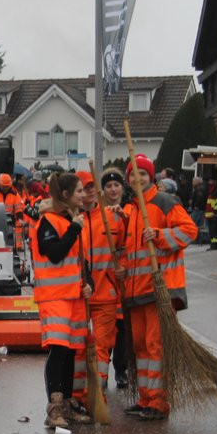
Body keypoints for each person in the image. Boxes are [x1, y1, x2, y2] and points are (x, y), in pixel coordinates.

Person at [121, 154, 198, 421]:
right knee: (141, 347)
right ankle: (145, 398)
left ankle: (158, 402)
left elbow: (189, 231)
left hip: (159, 289)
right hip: (136, 291)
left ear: (151, 177)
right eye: (133, 174)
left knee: (155, 347)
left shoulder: (163, 202)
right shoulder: (130, 208)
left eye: (142, 174)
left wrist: (161, 235)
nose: (137, 179)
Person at [31, 172, 91, 428]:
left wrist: (89, 284)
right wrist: (74, 229)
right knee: (58, 351)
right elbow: (55, 253)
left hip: (74, 296)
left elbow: (79, 260)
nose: (84, 195)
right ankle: (54, 408)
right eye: (79, 191)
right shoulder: (49, 221)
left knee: (69, 353)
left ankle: (67, 404)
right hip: (55, 297)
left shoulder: (72, 220)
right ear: (66, 196)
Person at [76, 170, 125, 414]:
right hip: (79, 297)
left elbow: (125, 248)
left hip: (105, 295)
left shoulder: (112, 218)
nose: (88, 192)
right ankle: (78, 398)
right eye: (83, 188)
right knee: (79, 350)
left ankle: (97, 396)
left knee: (103, 347)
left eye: (91, 187)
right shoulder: (72, 221)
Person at [100, 168, 131, 389]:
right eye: (109, 186)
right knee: (108, 328)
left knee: (123, 327)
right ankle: (104, 369)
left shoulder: (130, 210)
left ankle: (122, 370)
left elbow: (133, 241)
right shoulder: (100, 213)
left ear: (122, 187)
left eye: (116, 185)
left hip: (127, 277)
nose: (113, 189)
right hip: (106, 279)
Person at [0, 173, 25, 251]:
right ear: (0, 185)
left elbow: (18, 208)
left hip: (10, 219)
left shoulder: (14, 194)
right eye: (4, 187)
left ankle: (18, 246)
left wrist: (20, 218)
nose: (5, 188)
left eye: (7, 187)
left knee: (19, 224)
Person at [205, 178, 217, 250]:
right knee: (212, 231)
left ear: (215, 182)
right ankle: (213, 245)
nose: (209, 182)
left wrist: (214, 212)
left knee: (216, 231)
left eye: (211, 180)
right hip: (210, 215)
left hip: (215, 215)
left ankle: (216, 246)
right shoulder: (211, 191)